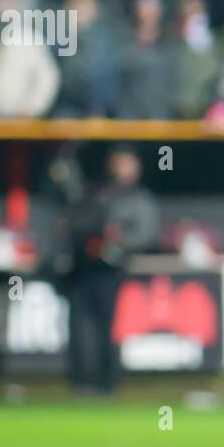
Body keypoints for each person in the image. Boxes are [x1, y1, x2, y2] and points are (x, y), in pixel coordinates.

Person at [63, 144, 160, 394]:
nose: (120, 168)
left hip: (113, 270)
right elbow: (72, 223)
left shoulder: (139, 198)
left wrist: (115, 242)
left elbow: (144, 234)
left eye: (126, 163)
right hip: (83, 268)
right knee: (79, 326)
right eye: (117, 162)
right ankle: (81, 382)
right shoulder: (93, 192)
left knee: (111, 327)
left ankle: (108, 382)